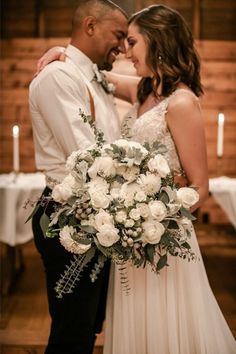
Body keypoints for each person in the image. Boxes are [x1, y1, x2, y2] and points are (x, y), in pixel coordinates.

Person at [36, 4, 236, 354]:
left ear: (156, 41)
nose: (125, 51)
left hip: (160, 233)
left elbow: (200, 186)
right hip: (129, 234)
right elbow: (94, 74)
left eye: (132, 41)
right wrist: (61, 53)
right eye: (123, 41)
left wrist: (152, 216)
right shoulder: (143, 90)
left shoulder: (182, 102)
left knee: (165, 326)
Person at [28, 1, 128, 354]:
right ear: (90, 26)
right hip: (67, 217)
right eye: (118, 35)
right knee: (72, 329)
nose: (123, 46)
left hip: (93, 212)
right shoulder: (59, 77)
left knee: (87, 325)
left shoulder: (93, 76)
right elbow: (85, 156)